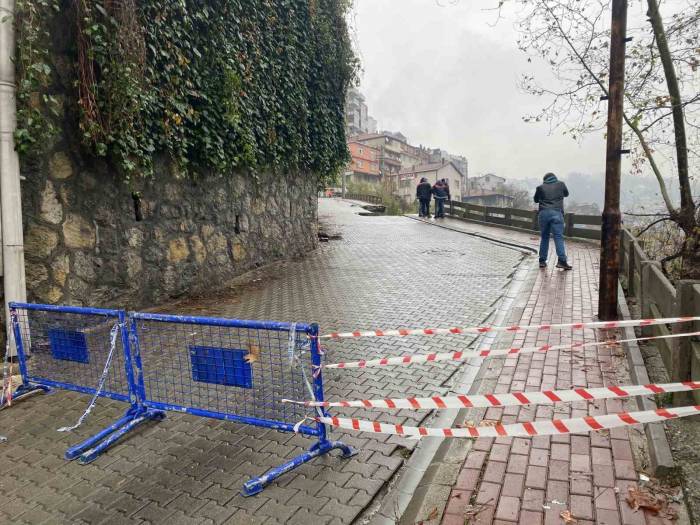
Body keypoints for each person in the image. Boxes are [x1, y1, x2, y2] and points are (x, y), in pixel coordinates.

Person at [534, 172, 572, 270]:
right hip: (556, 213)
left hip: (543, 213)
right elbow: (566, 194)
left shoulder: (540, 187)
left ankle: (542, 261)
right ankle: (562, 261)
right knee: (558, 237)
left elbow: (535, 200)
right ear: (555, 178)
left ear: (545, 179)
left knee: (544, 237)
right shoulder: (561, 184)